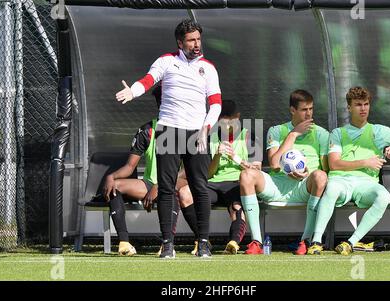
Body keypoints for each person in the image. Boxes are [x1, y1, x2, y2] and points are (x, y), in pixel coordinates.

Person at [115, 19, 222, 258]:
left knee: (199, 187)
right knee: (165, 188)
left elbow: (215, 104)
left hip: (197, 133)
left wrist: (206, 127)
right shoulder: (166, 61)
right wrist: (132, 91)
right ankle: (168, 245)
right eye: (191, 40)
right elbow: (148, 80)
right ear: (180, 42)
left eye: (198, 39)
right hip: (169, 130)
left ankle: (203, 243)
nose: (196, 44)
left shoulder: (209, 68)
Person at [307, 86, 390, 255]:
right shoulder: (337, 133)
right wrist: (365, 162)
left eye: (366, 104)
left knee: (383, 196)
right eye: (358, 105)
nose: (363, 108)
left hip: (367, 184)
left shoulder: (380, 131)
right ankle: (316, 241)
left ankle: (350, 243)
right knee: (331, 188)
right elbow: (334, 164)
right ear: (349, 107)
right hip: (341, 181)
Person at [104, 86, 199, 256]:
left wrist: (162, 185)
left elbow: (187, 172)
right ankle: (124, 243)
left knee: (171, 192)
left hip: (175, 183)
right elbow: (129, 167)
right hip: (149, 183)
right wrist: (111, 176)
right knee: (114, 186)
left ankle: (170, 243)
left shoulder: (189, 129)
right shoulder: (147, 130)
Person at [239, 90, 329, 255]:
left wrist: (309, 173)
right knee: (246, 175)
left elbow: (326, 170)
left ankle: (306, 240)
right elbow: (274, 163)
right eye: (304, 109)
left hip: (304, 187)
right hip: (277, 186)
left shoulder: (322, 134)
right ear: (292, 110)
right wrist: (293, 134)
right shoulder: (277, 131)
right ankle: (256, 242)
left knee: (321, 176)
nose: (309, 113)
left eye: (311, 109)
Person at [176, 100, 260, 255]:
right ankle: (203, 240)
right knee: (184, 193)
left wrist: (236, 158)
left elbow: (257, 169)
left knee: (236, 207)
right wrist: (217, 156)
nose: (227, 127)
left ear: (238, 117)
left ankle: (233, 243)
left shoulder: (249, 135)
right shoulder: (210, 137)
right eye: (223, 123)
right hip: (213, 184)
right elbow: (208, 174)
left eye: (231, 122)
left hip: (237, 183)